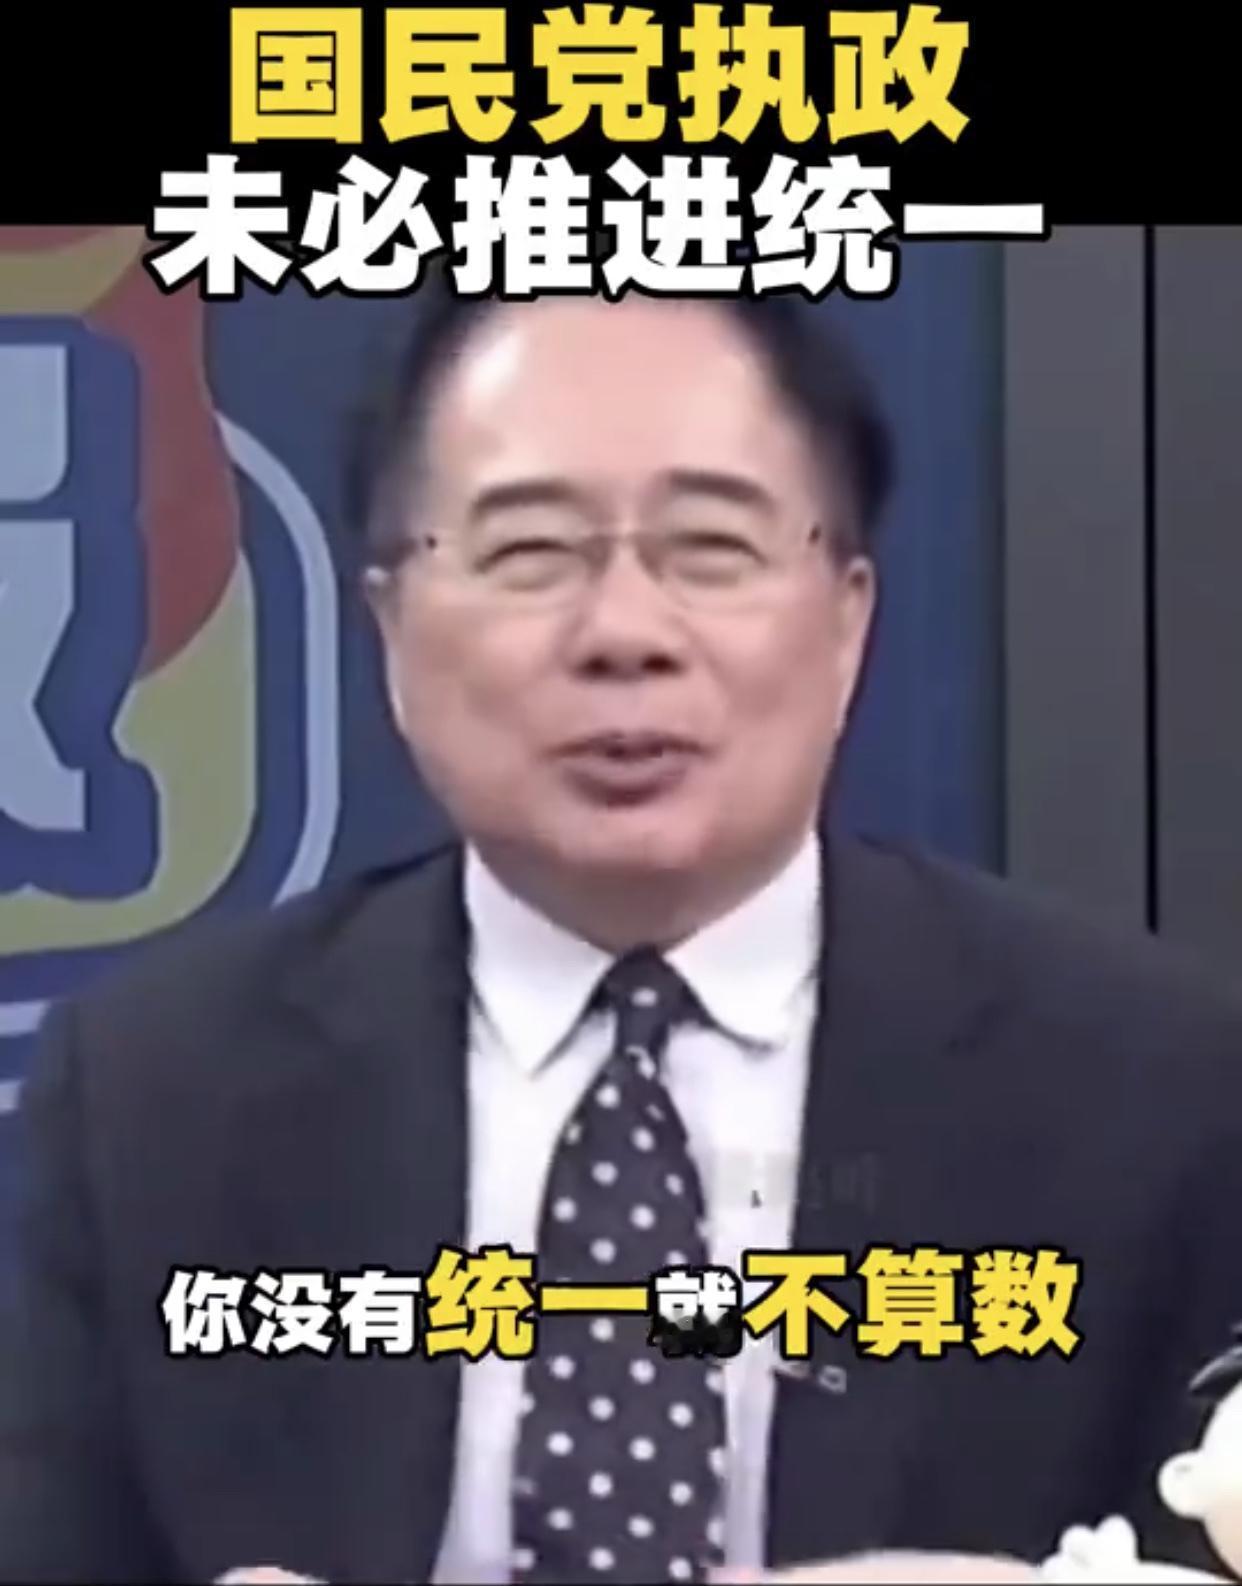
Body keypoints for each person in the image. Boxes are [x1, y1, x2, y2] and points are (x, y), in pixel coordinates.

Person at [2, 287, 1241, 1586]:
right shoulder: (154, 1098)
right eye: (531, 551)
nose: (625, 635)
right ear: (392, 627)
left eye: (710, 548)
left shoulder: (1152, 1091)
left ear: (846, 619)